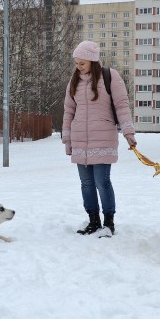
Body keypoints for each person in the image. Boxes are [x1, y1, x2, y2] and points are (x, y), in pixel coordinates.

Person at [62, 41, 136, 236]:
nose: (78, 66)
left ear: (93, 61)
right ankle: (93, 221)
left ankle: (108, 222)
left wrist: (128, 132)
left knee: (101, 181)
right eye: (76, 63)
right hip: (80, 138)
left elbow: (121, 105)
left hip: (103, 137)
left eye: (82, 63)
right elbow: (69, 111)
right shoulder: (74, 81)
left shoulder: (110, 76)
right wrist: (67, 139)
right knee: (86, 183)